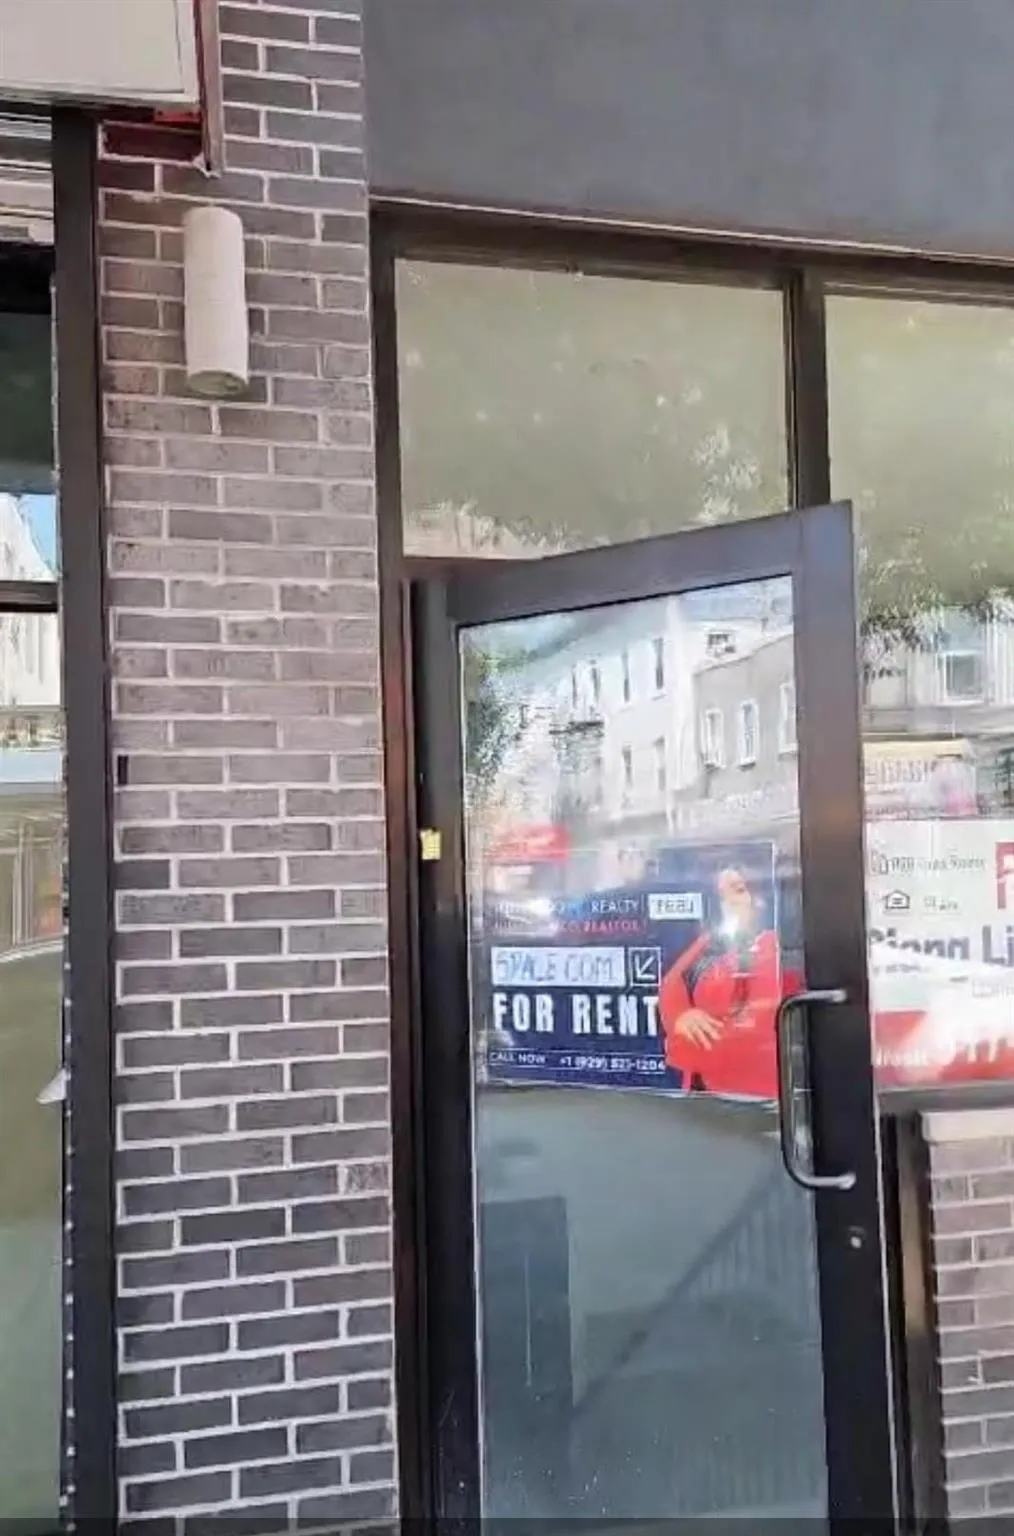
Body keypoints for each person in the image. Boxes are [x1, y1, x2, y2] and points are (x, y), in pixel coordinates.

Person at [658, 866, 797, 1099]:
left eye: (738, 891)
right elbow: (671, 986)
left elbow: (751, 1025)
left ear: (762, 898)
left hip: (754, 1093)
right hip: (704, 1090)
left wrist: (682, 1044)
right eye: (721, 896)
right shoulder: (710, 942)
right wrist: (680, 1016)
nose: (729, 903)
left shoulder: (777, 949)